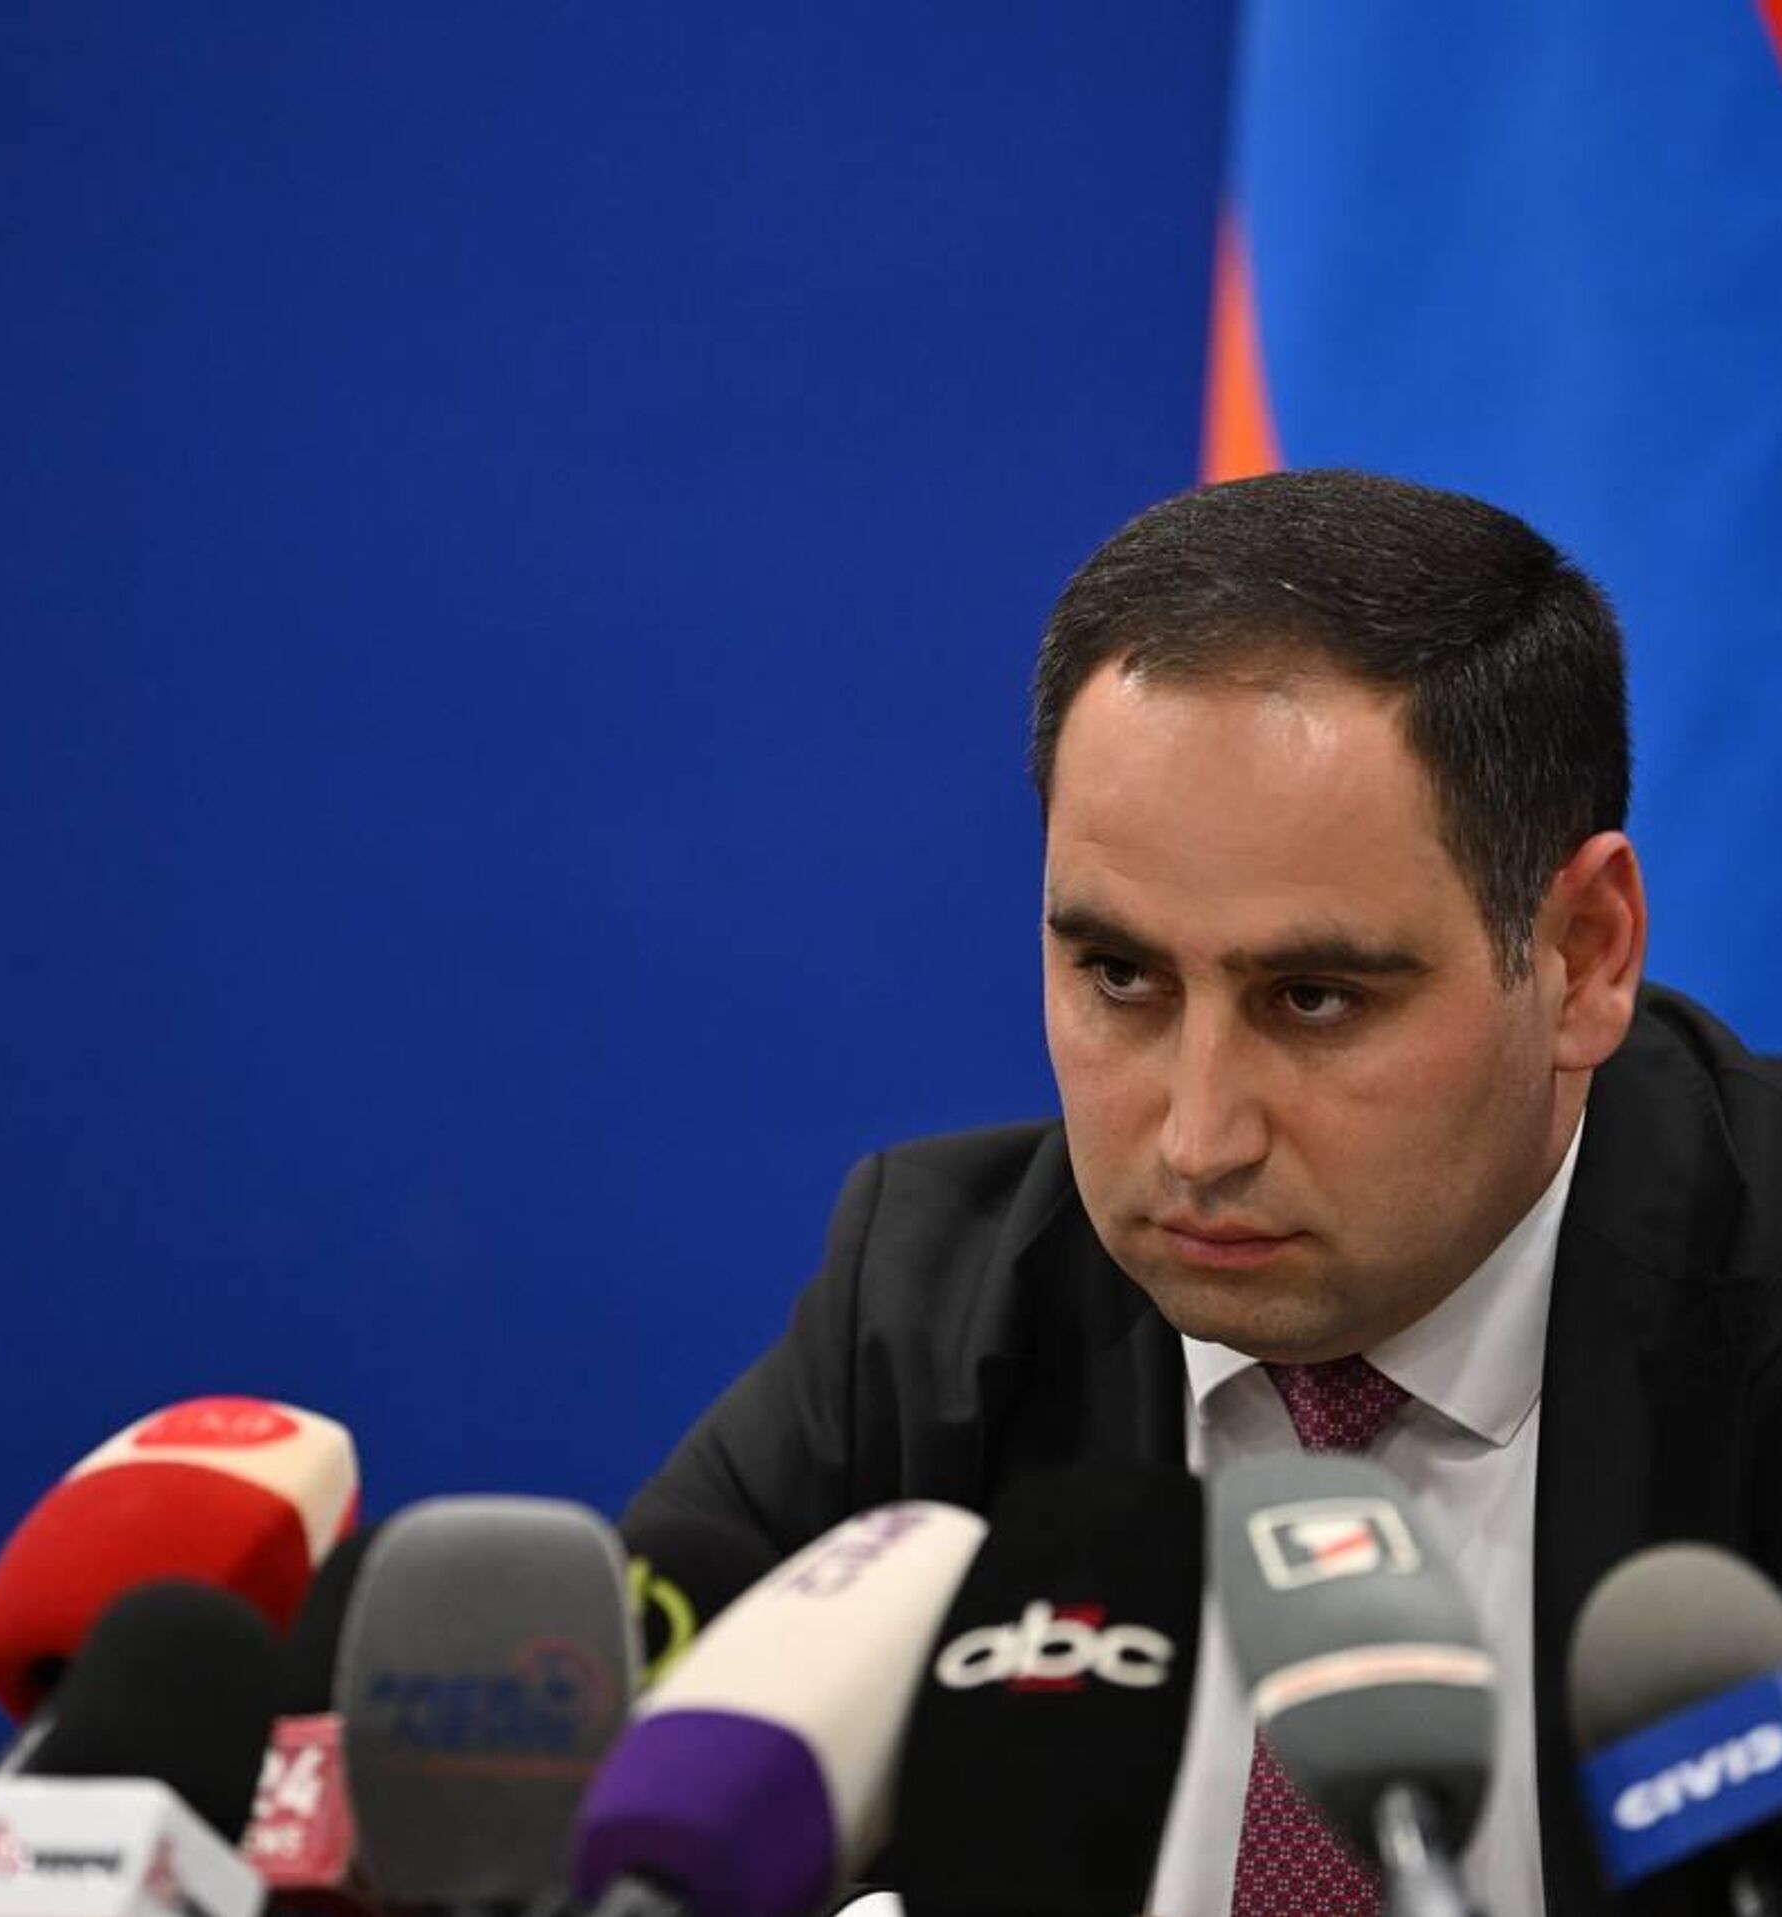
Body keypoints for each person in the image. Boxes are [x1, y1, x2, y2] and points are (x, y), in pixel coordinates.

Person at [623, 469, 1782, 1916]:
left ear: (1584, 955)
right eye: (1120, 976)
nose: (1196, 1138)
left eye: (1315, 997)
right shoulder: (933, 1319)